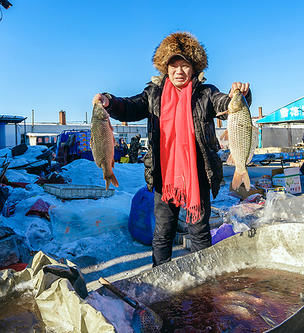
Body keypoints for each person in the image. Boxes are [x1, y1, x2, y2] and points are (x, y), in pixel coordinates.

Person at [92, 32, 251, 266]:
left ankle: (204, 281)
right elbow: (129, 107)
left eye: (185, 65)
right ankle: (161, 278)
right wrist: (109, 101)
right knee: (163, 232)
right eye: (174, 65)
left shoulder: (205, 92)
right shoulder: (152, 93)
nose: (179, 71)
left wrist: (241, 95)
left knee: (199, 232)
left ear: (194, 68)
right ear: (165, 68)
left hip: (197, 174)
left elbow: (227, 104)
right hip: (164, 175)